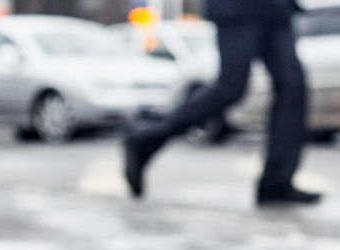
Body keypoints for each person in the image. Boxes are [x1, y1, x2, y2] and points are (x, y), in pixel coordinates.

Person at [122, 0, 321, 206]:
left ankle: (277, 181)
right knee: (231, 87)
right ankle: (146, 137)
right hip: (238, 7)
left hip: (276, 8)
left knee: (293, 87)